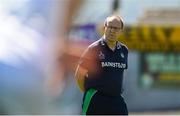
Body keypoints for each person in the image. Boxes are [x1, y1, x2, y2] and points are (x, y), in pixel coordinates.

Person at [75, 15, 129, 115]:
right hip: (96, 99)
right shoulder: (94, 49)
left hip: (116, 100)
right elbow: (79, 75)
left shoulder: (124, 50)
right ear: (105, 27)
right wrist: (90, 92)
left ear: (121, 31)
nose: (112, 30)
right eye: (110, 27)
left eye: (116, 28)